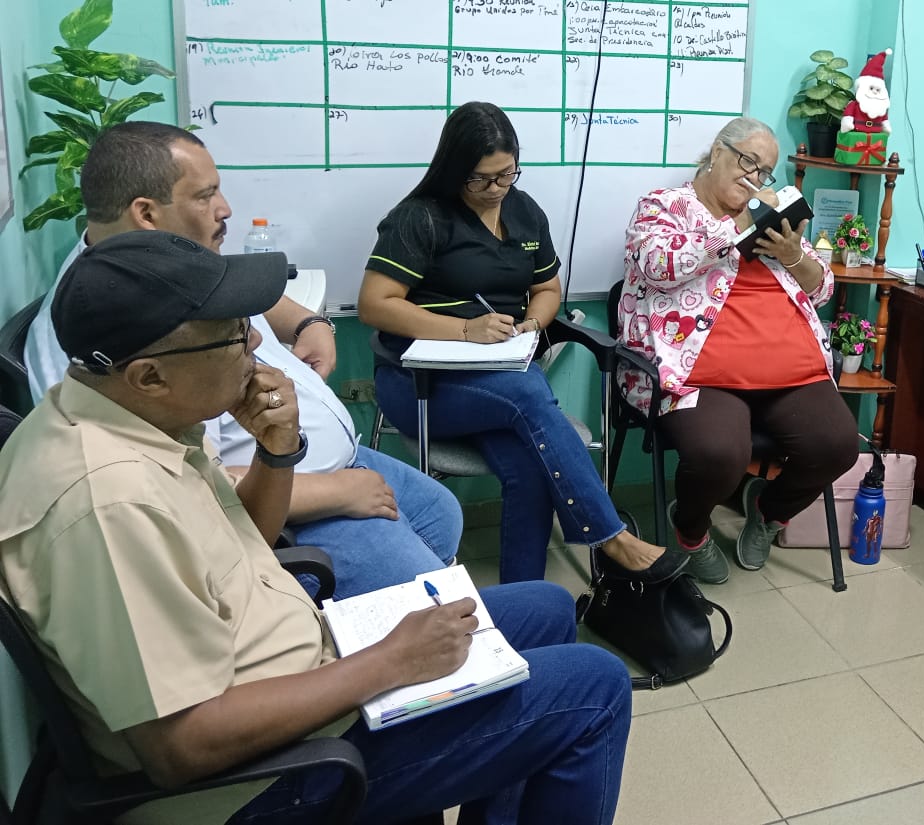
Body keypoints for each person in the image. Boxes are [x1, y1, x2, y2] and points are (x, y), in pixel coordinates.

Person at [0, 231, 631, 825]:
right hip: (262, 776)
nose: (254, 341)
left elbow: (240, 541)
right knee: (596, 688)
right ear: (150, 375)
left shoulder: (132, 415)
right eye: (231, 335)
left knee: (548, 607)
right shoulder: (109, 505)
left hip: (292, 663)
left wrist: (277, 452)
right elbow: (183, 747)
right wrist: (389, 661)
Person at [24, 121, 460, 598]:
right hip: (293, 503)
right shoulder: (98, 334)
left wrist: (309, 323)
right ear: (146, 213)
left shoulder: (170, 258)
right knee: (432, 599)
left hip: (322, 461)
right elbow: (188, 485)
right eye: (205, 195)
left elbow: (253, 296)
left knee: (442, 515)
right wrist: (336, 490)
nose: (225, 208)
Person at [359, 101, 685, 584]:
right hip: (420, 386)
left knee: (531, 464)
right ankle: (610, 537)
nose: (496, 189)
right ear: (454, 170)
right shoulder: (419, 217)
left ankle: (525, 598)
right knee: (530, 393)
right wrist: (464, 330)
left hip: (498, 383)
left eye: (506, 174)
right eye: (480, 179)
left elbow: (548, 289)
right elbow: (374, 304)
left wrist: (533, 323)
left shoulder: (525, 210)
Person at [619, 117, 858, 584]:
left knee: (836, 445)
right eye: (749, 161)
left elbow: (823, 288)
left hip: (791, 371)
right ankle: (691, 530)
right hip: (700, 374)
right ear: (717, 152)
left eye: (764, 171)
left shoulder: (772, 219)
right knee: (719, 452)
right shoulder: (664, 206)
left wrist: (792, 255)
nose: (755, 177)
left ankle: (768, 513)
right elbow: (656, 265)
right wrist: (739, 225)